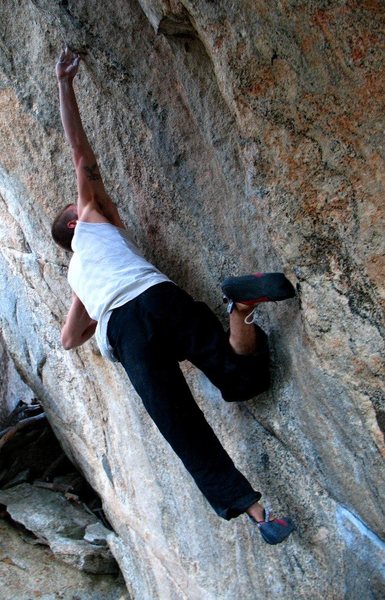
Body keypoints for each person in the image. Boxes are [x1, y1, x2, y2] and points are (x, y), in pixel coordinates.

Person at [52, 48, 295, 545]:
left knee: (181, 427)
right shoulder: (96, 224)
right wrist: (65, 84)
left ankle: (255, 512)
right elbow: (81, 154)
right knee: (240, 378)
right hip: (158, 296)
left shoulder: (79, 275)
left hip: (124, 330)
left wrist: (87, 300)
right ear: (76, 220)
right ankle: (240, 307)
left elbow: (68, 340)